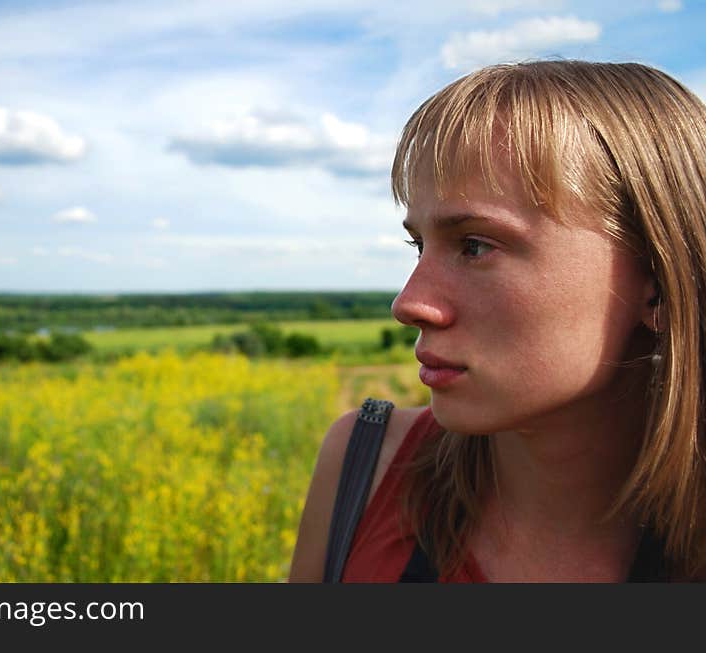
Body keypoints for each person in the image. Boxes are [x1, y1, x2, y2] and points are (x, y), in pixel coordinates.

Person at [288, 60, 706, 582]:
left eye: (475, 245)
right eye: (419, 246)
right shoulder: (364, 467)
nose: (408, 303)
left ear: (659, 283)